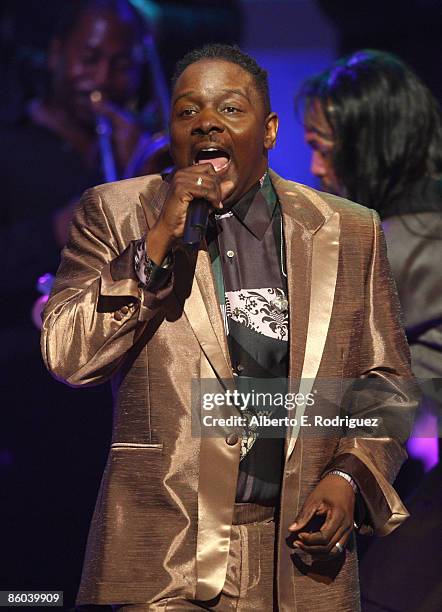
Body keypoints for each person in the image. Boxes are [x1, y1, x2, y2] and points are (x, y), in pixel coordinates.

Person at [41, 44, 417, 611]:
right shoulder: (116, 213)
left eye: (230, 109)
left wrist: (348, 476)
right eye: (188, 112)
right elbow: (68, 357)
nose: (207, 123)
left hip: (300, 560)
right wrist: (155, 245)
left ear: (268, 130)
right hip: (164, 559)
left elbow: (386, 382)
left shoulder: (349, 229)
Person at [0, 0, 168, 606]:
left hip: (121, 409)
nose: (102, 79)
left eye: (120, 64)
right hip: (29, 401)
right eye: (89, 58)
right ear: (56, 56)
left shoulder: (141, 152)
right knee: (34, 584)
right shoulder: (12, 148)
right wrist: (57, 226)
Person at [299, 49, 442, 611]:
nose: (314, 168)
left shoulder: (412, 250)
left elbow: (416, 405)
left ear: (369, 146)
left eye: (322, 147)